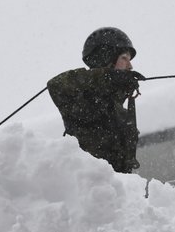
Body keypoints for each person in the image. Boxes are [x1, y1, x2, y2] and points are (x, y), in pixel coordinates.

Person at [47, 27, 144, 173]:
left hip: (113, 191)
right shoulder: (82, 98)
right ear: (106, 57)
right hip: (86, 188)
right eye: (124, 58)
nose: (130, 66)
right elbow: (55, 85)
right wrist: (108, 77)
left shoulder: (121, 113)